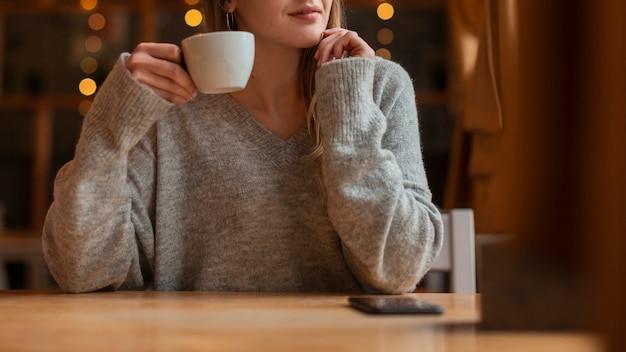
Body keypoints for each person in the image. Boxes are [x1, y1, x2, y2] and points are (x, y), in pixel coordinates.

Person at [42, 0, 443, 293]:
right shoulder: (163, 107)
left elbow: (398, 269)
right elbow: (86, 274)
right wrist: (108, 131)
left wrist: (350, 110)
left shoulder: (376, 87)